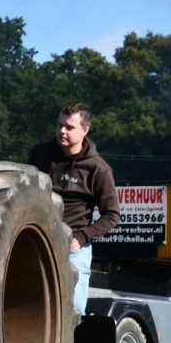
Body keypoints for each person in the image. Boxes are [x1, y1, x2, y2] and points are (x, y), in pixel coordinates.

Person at [28, 103, 120, 314]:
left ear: (85, 130)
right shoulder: (40, 154)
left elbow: (112, 215)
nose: (62, 131)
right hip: (36, 239)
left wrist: (80, 239)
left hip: (73, 249)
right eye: (59, 125)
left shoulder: (98, 169)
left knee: (72, 312)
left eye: (69, 127)